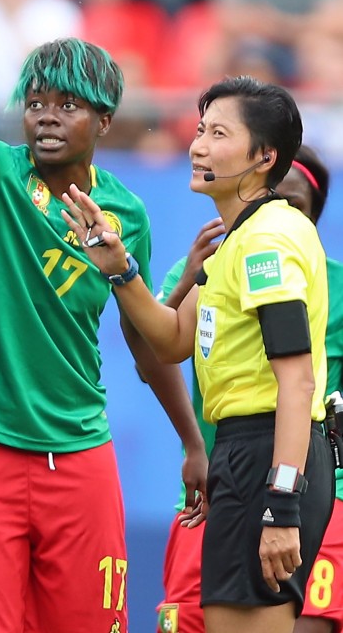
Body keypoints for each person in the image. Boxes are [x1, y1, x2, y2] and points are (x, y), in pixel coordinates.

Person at [0, 23, 206, 632]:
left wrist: (192, 442)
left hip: (81, 454)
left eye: (67, 105)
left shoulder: (125, 212)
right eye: (35, 105)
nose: (47, 118)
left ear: (104, 121)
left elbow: (145, 341)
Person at [61, 76, 334, 633]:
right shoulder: (237, 238)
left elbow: (298, 383)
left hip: (267, 459)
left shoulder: (268, 242)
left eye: (218, 133)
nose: (197, 144)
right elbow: (172, 340)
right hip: (241, 454)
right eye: (201, 129)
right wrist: (119, 267)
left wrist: (280, 505)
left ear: (264, 157)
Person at [155, 144, 343, 633]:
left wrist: (285, 503)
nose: (274, 210)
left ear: (311, 223)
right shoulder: (208, 270)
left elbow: (299, 384)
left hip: (299, 483)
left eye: (293, 205)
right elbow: (157, 348)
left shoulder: (324, 282)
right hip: (215, 485)